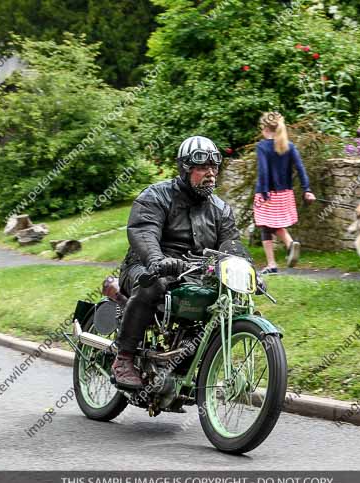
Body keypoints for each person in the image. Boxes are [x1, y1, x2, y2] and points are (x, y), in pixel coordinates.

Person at [112, 136, 246, 388]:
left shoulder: (221, 209)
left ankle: (187, 359)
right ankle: (124, 357)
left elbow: (232, 246)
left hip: (194, 273)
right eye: (202, 167)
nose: (210, 174)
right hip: (147, 267)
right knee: (153, 285)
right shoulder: (156, 195)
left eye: (214, 167)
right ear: (185, 168)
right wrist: (157, 260)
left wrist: (249, 271)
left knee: (221, 301)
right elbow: (143, 231)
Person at [254, 112, 315, 274]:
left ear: (265, 128)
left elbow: (263, 171)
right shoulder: (288, 145)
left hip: (267, 193)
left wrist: (265, 193)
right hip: (285, 194)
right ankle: (276, 259)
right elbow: (300, 168)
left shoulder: (262, 146)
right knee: (270, 225)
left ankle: (282, 251)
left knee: (265, 225)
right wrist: (306, 189)